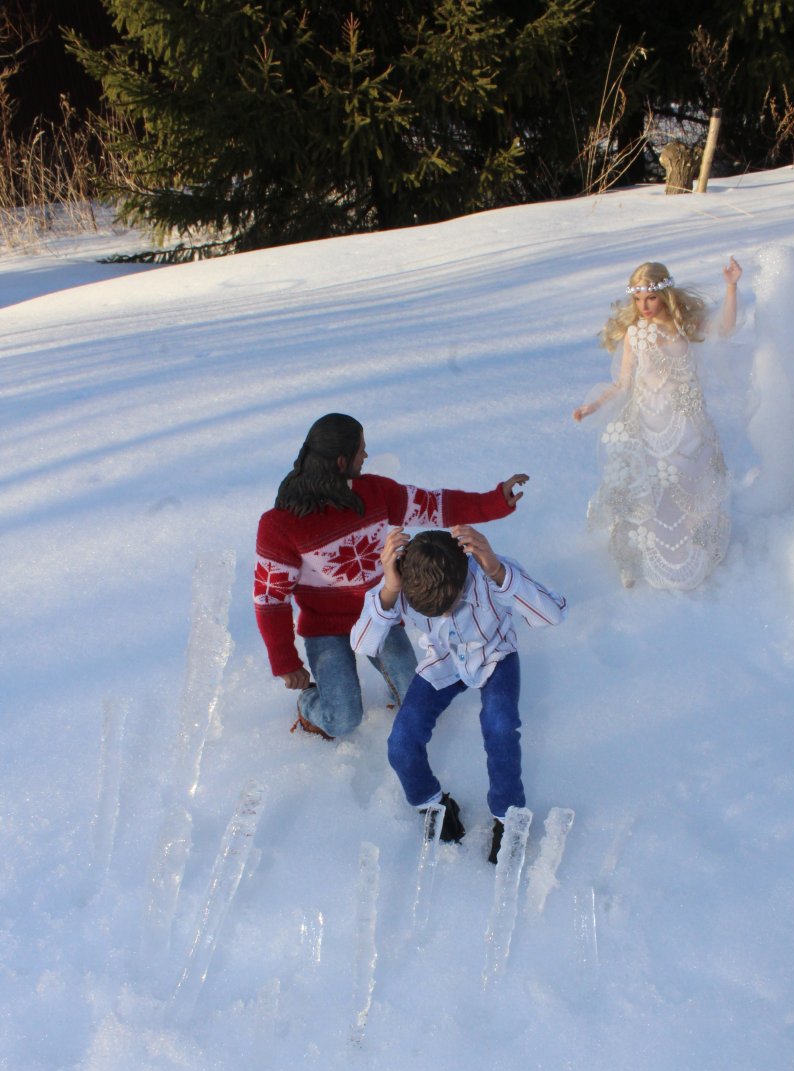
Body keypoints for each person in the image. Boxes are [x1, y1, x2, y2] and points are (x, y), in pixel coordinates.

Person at [254, 412, 529, 739]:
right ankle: (310, 705)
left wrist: (495, 501)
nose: (366, 457)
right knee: (343, 719)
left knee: (418, 698)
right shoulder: (279, 525)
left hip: (379, 611)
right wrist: (285, 660)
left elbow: (435, 506)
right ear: (341, 461)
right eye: (361, 450)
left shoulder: (375, 493)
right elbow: (271, 598)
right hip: (324, 629)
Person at [351, 524, 567, 863]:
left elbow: (553, 613)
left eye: (451, 604)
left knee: (501, 729)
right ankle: (432, 804)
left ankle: (508, 818)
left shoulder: (486, 571)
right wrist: (390, 590)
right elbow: (363, 643)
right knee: (401, 742)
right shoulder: (405, 580)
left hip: (495, 655)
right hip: (444, 661)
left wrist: (498, 571)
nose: (446, 614)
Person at [572, 257, 742, 590]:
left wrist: (732, 286)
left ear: (664, 293)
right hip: (649, 424)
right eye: (637, 299)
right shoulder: (635, 334)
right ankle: (642, 555)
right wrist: (593, 405)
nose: (643, 306)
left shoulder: (685, 324)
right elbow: (622, 383)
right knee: (653, 490)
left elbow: (725, 328)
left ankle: (694, 547)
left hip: (690, 424)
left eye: (649, 297)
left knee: (691, 486)